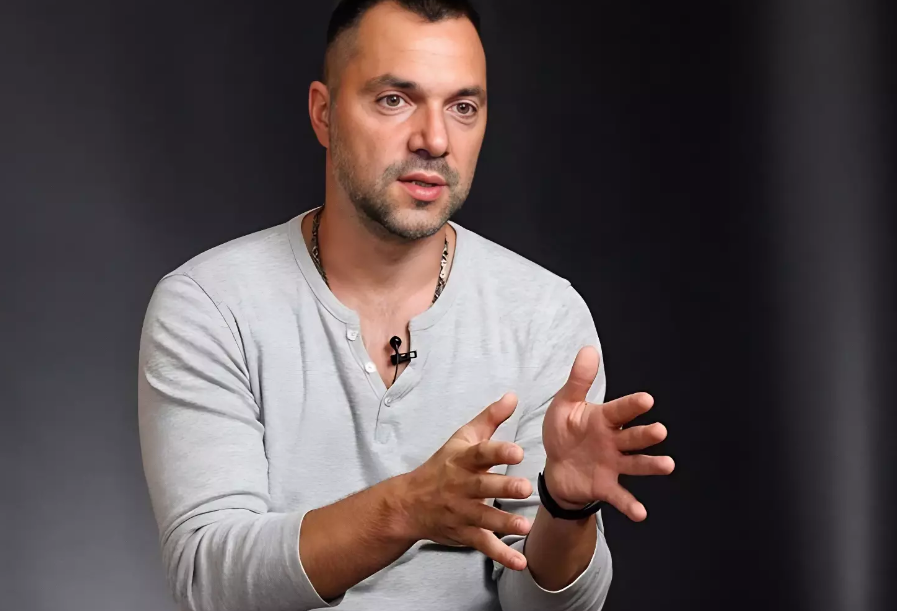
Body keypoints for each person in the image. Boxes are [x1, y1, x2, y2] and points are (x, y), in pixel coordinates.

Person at [137, 1, 675, 609]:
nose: (435, 140)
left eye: (463, 107)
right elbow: (208, 580)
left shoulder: (544, 315)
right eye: (395, 100)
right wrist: (406, 509)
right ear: (323, 113)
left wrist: (567, 510)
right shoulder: (212, 305)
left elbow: (543, 606)